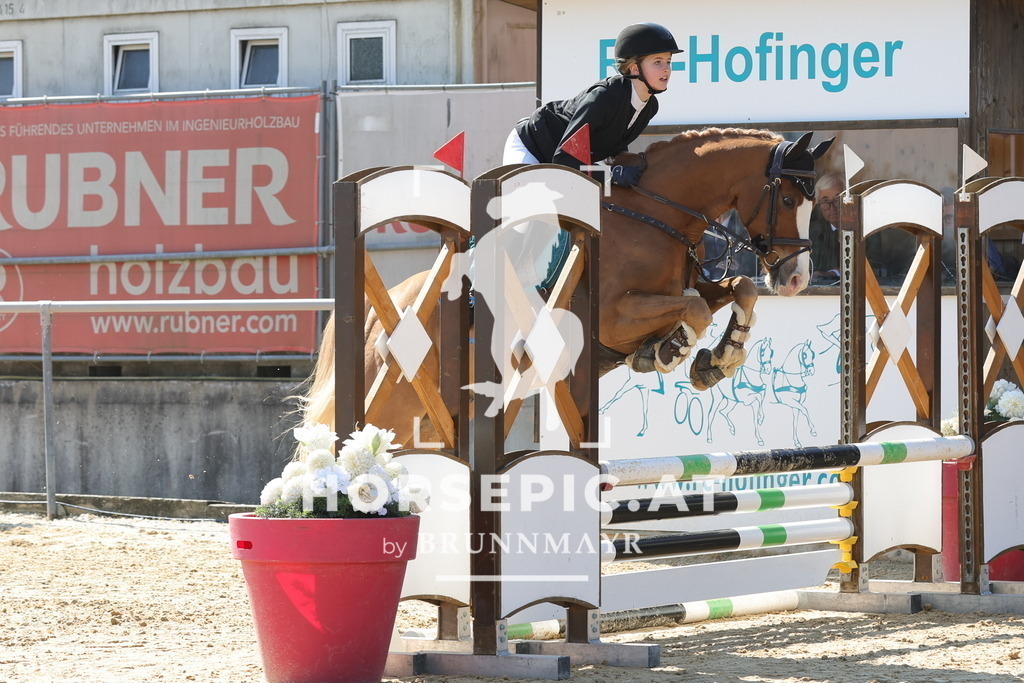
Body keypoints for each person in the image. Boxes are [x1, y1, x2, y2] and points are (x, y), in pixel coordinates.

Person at [503, 22, 682, 186]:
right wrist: (611, 175)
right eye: (657, 62)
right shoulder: (603, 97)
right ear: (635, 68)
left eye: (668, 61)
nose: (666, 68)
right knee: (529, 206)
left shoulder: (650, 106)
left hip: (565, 161)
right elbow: (566, 160)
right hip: (532, 147)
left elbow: (614, 147)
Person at [808, 172, 843, 284]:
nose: (832, 208)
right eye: (825, 201)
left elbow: (874, 266)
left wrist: (834, 273)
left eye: (838, 200)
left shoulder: (864, 231)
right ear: (818, 204)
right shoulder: (810, 232)